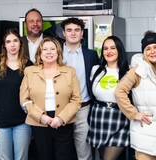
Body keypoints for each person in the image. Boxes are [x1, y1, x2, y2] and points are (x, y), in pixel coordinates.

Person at [20, 37, 81, 160]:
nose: (49, 52)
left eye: (52, 49)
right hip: (39, 121)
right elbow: (24, 99)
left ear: (58, 52)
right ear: (39, 54)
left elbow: (76, 99)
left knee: (63, 156)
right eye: (45, 49)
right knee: (44, 156)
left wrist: (60, 118)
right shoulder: (30, 71)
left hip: (63, 121)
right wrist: (42, 117)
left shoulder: (70, 72)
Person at [61, 17, 99, 160]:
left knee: (84, 152)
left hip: (84, 109)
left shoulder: (91, 55)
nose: (73, 33)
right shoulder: (55, 53)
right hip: (61, 109)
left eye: (77, 30)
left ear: (82, 33)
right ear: (63, 33)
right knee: (63, 151)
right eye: (69, 30)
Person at [87, 36, 130, 160]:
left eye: (112, 48)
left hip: (120, 119)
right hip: (98, 117)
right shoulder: (96, 70)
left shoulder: (128, 72)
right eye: (105, 48)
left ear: (119, 50)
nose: (108, 51)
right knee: (102, 156)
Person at [115, 31, 156, 160]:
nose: (152, 51)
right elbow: (119, 92)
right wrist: (134, 114)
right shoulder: (137, 71)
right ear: (143, 52)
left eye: (155, 47)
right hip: (145, 133)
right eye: (148, 48)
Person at [0, 28, 32, 160]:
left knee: (22, 157)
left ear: (20, 44)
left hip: (23, 122)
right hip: (1, 123)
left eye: (15, 40)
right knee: (4, 158)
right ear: (4, 45)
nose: (12, 44)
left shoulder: (29, 66)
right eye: (8, 41)